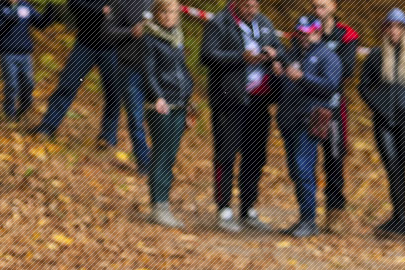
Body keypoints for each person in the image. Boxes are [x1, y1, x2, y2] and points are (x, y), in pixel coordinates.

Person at [201, 0, 280, 232]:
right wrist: (240, 57)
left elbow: (280, 48)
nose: (251, 11)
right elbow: (207, 55)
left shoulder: (264, 22)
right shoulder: (219, 22)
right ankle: (224, 207)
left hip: (260, 100)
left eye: (255, 6)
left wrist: (274, 55)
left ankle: (248, 207)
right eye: (247, 6)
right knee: (226, 153)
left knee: (255, 155)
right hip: (230, 99)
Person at [358, 8, 405, 236]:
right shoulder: (376, 54)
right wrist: (378, 107)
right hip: (383, 122)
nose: (394, 31)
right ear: (385, 29)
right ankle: (400, 220)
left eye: (398, 27)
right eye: (390, 26)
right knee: (393, 166)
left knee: (399, 167)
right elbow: (363, 87)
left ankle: (400, 220)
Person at [275, 14, 342, 237]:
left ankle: (309, 220)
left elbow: (331, 86)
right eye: (300, 33)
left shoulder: (328, 56)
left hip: (309, 120)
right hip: (289, 121)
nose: (303, 37)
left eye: (308, 34)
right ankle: (304, 216)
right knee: (295, 170)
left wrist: (302, 78)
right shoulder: (293, 54)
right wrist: (278, 74)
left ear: (318, 32)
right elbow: (282, 87)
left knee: (304, 168)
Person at [35, 0, 124, 149]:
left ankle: (108, 137)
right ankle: (48, 127)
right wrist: (101, 9)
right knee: (68, 85)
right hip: (85, 45)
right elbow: (73, 4)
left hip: (113, 50)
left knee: (113, 92)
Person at [142, 0, 194, 227]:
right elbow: (148, 72)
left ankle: (164, 203)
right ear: (156, 13)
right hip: (161, 105)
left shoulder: (177, 38)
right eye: (163, 11)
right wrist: (157, 97)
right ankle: (158, 206)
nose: (167, 16)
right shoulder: (149, 39)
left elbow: (182, 70)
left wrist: (189, 100)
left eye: (171, 11)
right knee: (161, 154)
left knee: (171, 155)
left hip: (180, 104)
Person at [311, 0, 359, 219]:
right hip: (307, 103)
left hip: (333, 105)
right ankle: (307, 213)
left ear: (333, 6)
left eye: (322, 5)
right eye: (314, 6)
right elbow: (298, 58)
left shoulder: (347, 34)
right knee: (306, 158)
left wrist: (317, 61)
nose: (318, 10)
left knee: (334, 156)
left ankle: (335, 210)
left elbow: (346, 70)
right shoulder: (305, 28)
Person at [102, 0, 155, 172]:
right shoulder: (121, 2)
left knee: (160, 119)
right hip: (130, 68)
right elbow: (107, 32)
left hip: (157, 71)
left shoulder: (159, 4)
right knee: (136, 117)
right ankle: (145, 164)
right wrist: (131, 32)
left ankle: (159, 161)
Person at [0, 0, 54, 119]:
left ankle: (24, 110)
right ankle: (9, 114)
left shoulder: (25, 6)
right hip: (8, 53)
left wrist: (50, 11)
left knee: (29, 84)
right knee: (12, 85)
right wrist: (9, 20)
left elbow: (40, 24)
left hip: (25, 54)